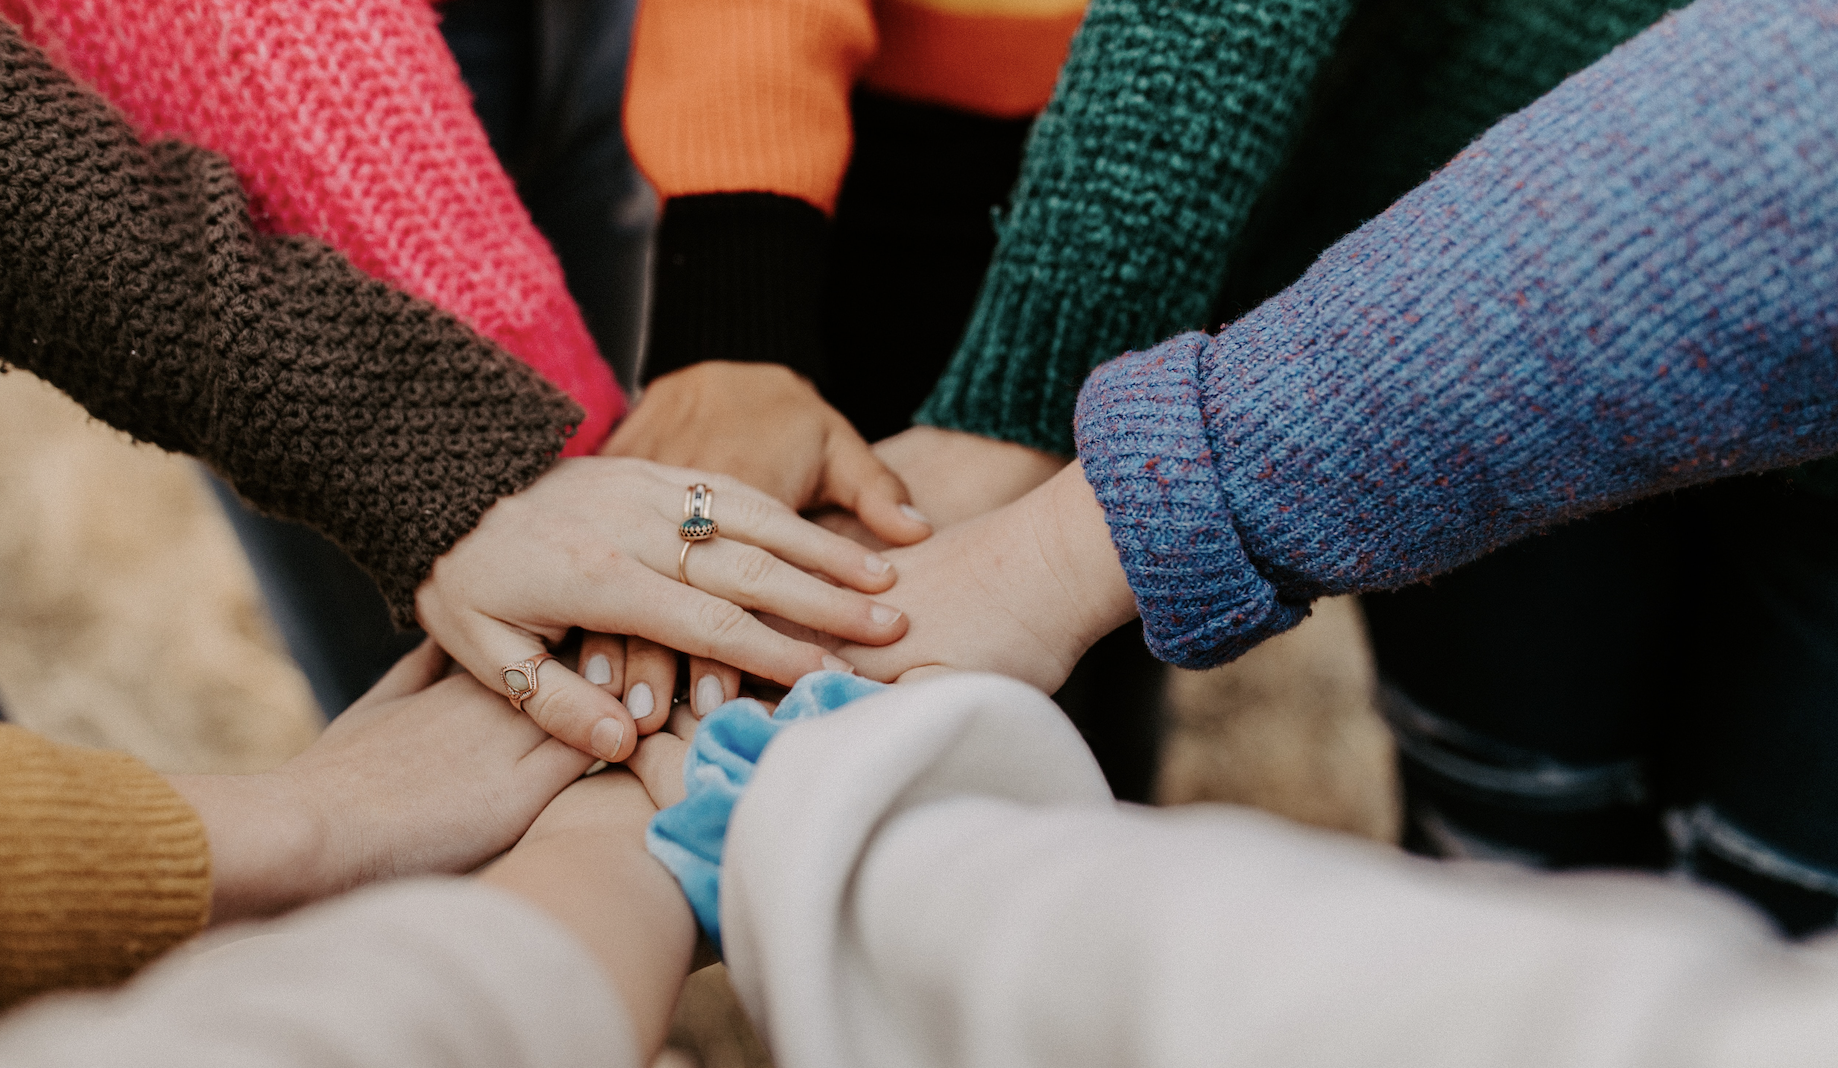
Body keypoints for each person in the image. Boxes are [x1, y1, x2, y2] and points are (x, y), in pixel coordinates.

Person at [826, 0, 1838, 929]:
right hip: (1452, 291)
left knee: (1779, 912)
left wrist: (1074, 522)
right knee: (1506, 849)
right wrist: (1023, 411)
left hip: (1449, 340)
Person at [0, 19, 902, 767]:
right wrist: (424, 445)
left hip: (602, 32)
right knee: (500, 736)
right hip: (254, 108)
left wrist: (731, 312)